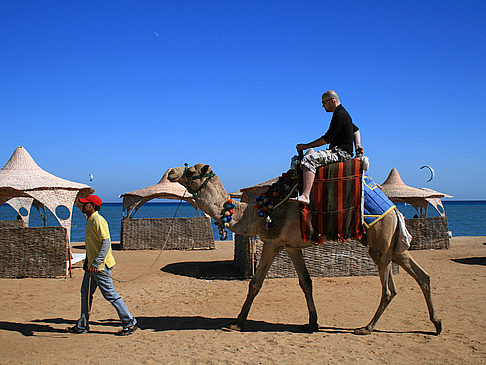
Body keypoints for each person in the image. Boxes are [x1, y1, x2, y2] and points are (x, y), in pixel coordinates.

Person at [67, 195, 137, 336]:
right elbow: (92, 245)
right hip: (92, 266)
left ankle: (129, 321)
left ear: (92, 206)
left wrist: (97, 262)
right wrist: (87, 262)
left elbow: (106, 242)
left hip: (101, 266)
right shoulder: (90, 220)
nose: (82, 206)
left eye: (85, 204)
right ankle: (83, 325)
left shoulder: (98, 220)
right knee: (85, 293)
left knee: (110, 294)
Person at [291, 90, 363, 205]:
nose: (323, 106)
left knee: (308, 159)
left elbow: (326, 139)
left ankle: (305, 195)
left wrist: (305, 146)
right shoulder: (343, 113)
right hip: (342, 151)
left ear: (332, 101)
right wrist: (358, 145)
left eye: (324, 103)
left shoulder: (339, 115)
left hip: (340, 153)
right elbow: (356, 130)